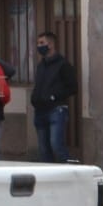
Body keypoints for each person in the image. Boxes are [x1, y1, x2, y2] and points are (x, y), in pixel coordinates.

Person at [31, 31, 77, 163]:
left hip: (56, 110)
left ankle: (70, 174)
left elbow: (73, 87)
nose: (39, 46)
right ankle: (48, 180)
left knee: (57, 146)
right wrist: (35, 98)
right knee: (44, 150)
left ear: (50, 44)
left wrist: (53, 97)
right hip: (39, 111)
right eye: (38, 43)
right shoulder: (41, 65)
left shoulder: (63, 64)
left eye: (42, 43)